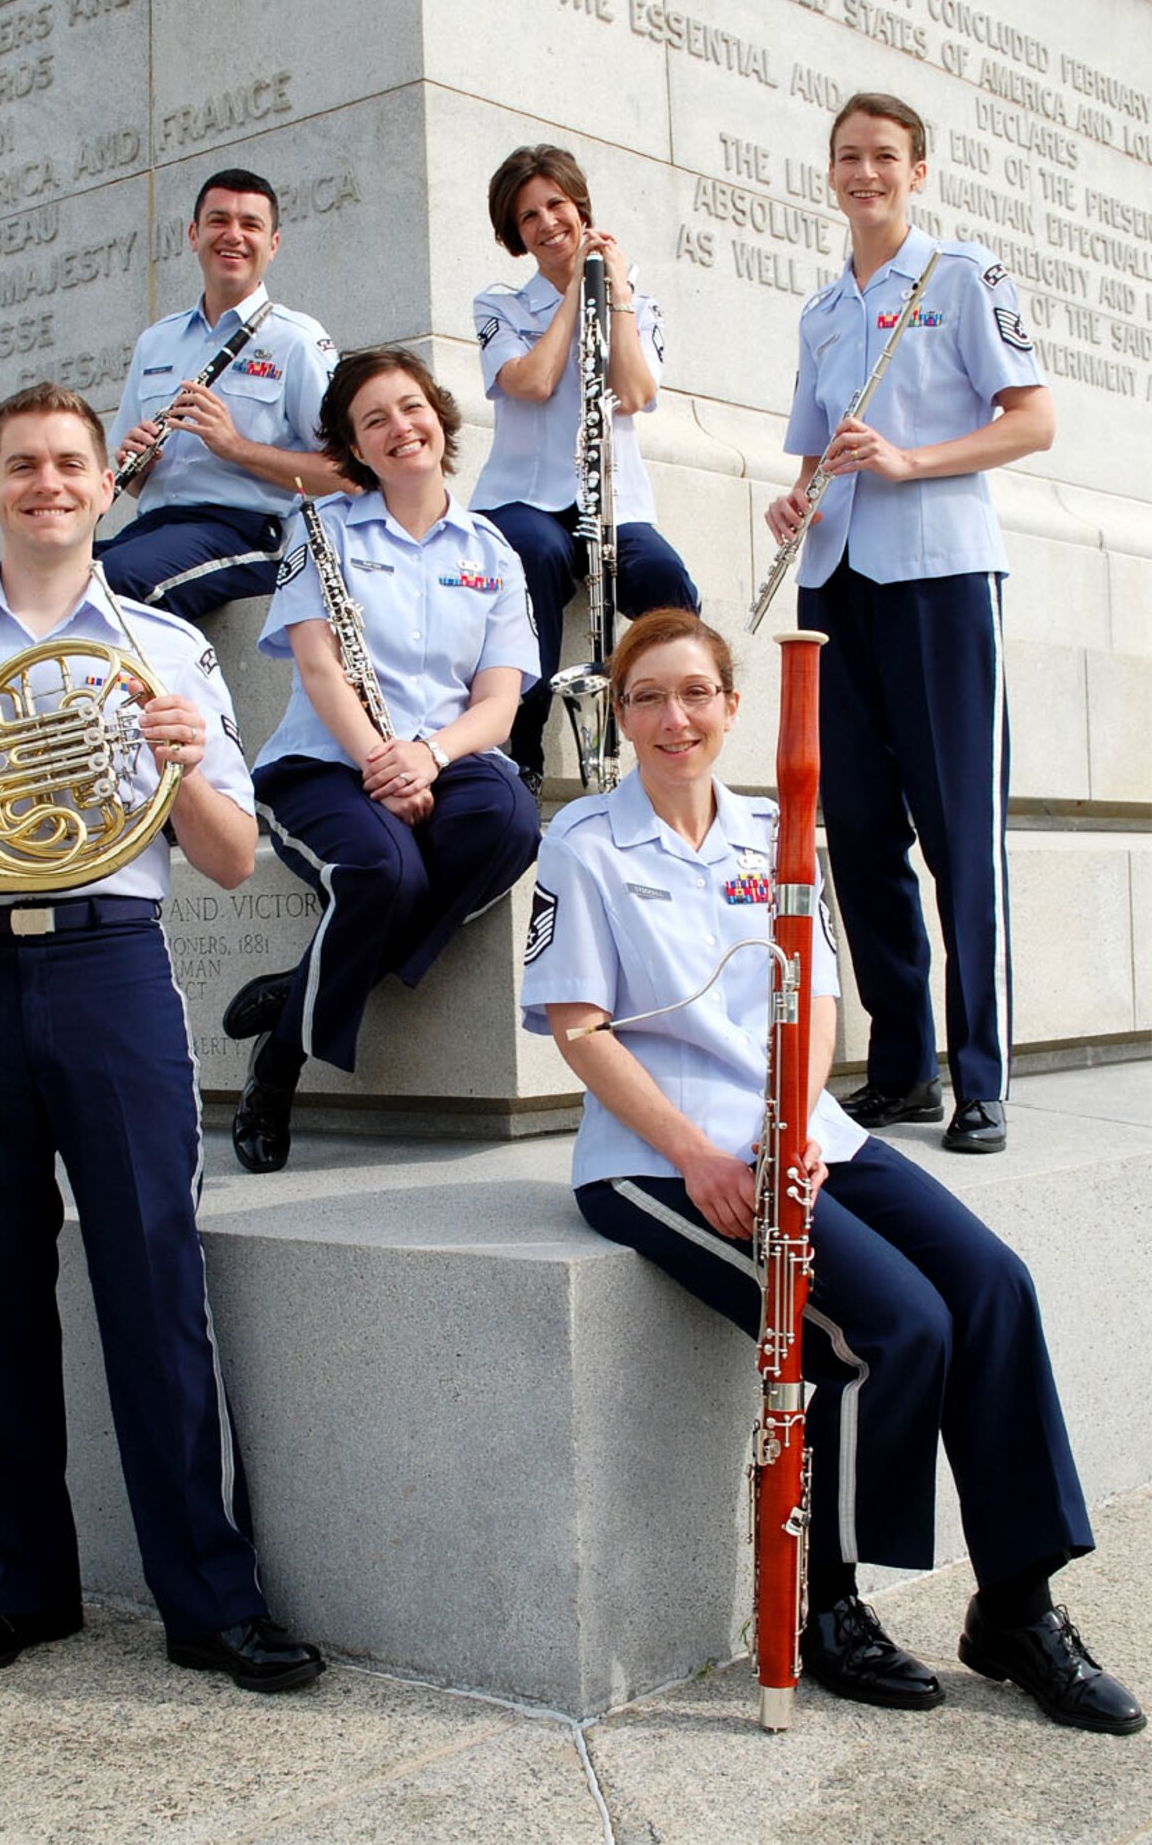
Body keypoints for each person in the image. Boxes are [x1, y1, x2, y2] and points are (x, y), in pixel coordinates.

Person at [520, 606, 1143, 1733]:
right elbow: (579, 1026)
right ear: (621, 713)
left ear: (730, 706)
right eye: (649, 696)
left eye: (696, 692)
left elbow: (815, 998)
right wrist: (701, 1150)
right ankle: (831, 1604)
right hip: (660, 1158)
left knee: (993, 1285)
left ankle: (1015, 1601)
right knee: (897, 1325)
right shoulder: (585, 843)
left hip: (797, 1134)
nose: (675, 717)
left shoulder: (770, 830)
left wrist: (797, 1125)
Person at [0, 384, 322, 1694]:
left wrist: (184, 762)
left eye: (69, 465)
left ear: (107, 490)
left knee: (155, 1287)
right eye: (22, 466)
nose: (48, 483)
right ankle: (24, 1584)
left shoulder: (165, 651)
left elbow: (224, 860)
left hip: (110, 973)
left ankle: (208, 1600)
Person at [766, 93, 1055, 1155]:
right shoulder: (821, 309)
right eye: (847, 156)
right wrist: (792, 498)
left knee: (958, 834)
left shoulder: (962, 276)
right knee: (863, 834)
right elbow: (813, 451)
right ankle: (902, 1068)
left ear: (917, 171)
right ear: (830, 171)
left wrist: (910, 462)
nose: (864, 172)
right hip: (834, 582)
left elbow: (1032, 417)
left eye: (884, 156)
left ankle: (980, 1076)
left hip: (939, 575)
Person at [226, 347, 541, 1174]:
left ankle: (296, 996)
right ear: (355, 449)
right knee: (383, 874)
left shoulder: (493, 551)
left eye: (411, 408)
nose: (400, 428)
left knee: (508, 821)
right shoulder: (316, 530)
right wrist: (380, 762)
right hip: (330, 763)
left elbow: (500, 703)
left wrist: (427, 757)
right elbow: (321, 668)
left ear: (439, 417)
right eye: (374, 421)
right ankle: (282, 1065)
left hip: (444, 753)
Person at [470, 144, 698, 799]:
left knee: (664, 580)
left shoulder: (635, 301)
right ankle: (525, 731)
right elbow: (534, 382)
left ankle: (667, 726)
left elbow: (632, 392)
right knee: (534, 553)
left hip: (613, 500)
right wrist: (575, 293)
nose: (546, 224)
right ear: (514, 232)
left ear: (579, 208)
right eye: (528, 216)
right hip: (524, 499)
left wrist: (615, 291)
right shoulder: (499, 306)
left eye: (555, 206)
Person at [99, 166, 341, 619]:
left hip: (251, 533)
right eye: (218, 221)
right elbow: (132, 482)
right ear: (193, 234)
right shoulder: (156, 341)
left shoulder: (297, 341)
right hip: (155, 528)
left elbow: (345, 473)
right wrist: (138, 464)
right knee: (44, 579)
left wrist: (235, 448)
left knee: (118, 578)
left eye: (251, 225)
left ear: (273, 244)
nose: (233, 235)